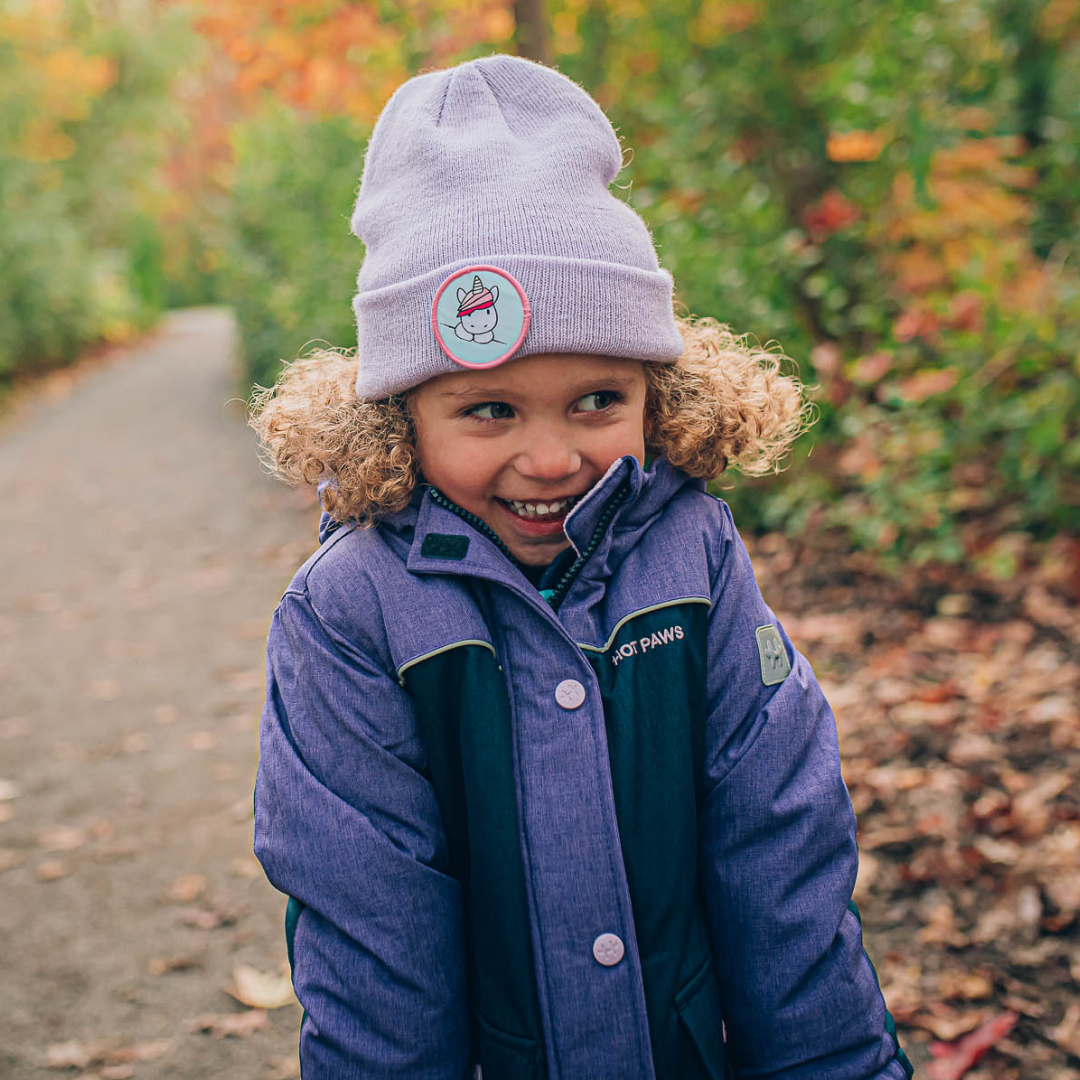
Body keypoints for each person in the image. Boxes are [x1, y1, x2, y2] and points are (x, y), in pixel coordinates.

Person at [249, 52, 913, 1080]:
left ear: (656, 391)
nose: (552, 458)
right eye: (490, 410)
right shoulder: (351, 611)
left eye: (597, 401)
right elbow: (368, 922)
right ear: (400, 415)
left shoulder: (692, 554)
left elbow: (781, 844)